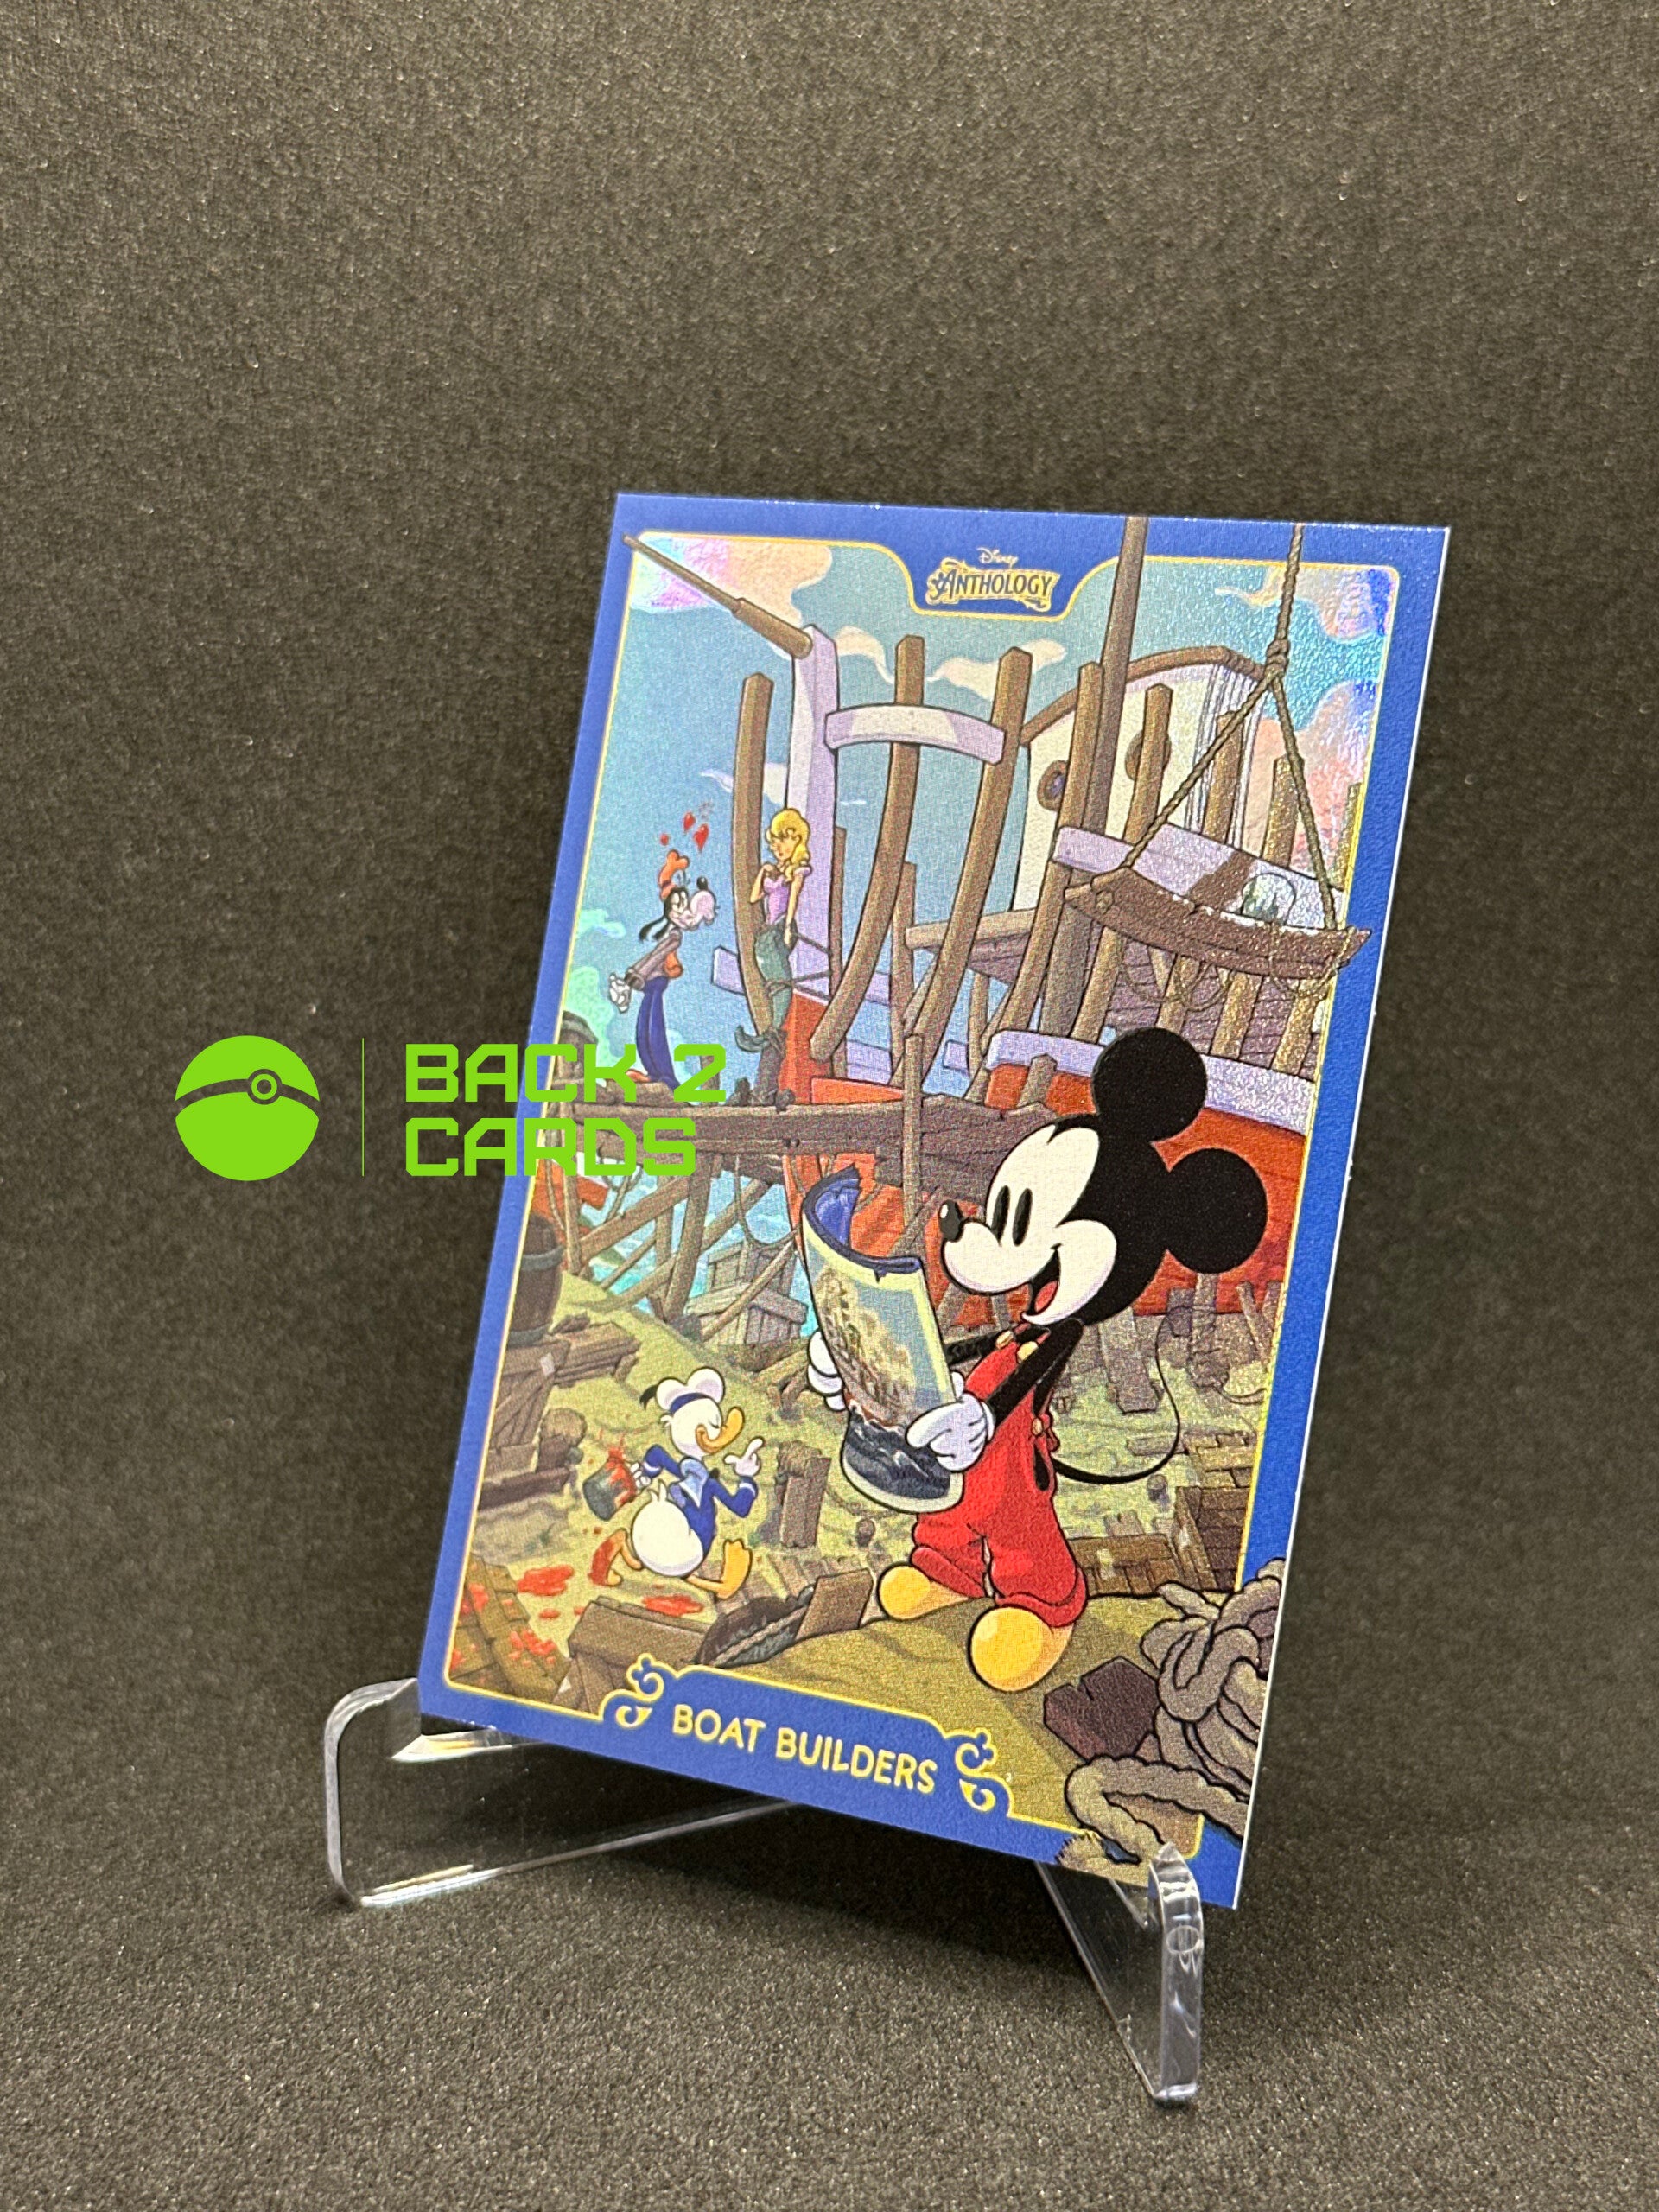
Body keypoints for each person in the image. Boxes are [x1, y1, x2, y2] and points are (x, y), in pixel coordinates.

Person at [607, 849, 717, 1088]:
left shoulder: (674, 935)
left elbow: (657, 956)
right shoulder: (664, 930)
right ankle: (653, 1072)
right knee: (642, 1030)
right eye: (676, 905)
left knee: (653, 1028)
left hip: (655, 982)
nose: (680, 910)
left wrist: (636, 977)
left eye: (683, 905)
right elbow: (652, 955)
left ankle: (666, 1076)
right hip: (649, 983)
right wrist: (635, 974)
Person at [738, 806, 811, 1099]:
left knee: (782, 990)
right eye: (775, 841)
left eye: (784, 839)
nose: (778, 846)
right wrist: (762, 872)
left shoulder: (797, 871)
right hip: (767, 937)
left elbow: (792, 902)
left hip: (779, 933)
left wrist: (789, 928)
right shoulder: (777, 872)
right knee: (779, 988)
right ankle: (762, 1040)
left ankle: (763, 1043)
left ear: (797, 839)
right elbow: (754, 896)